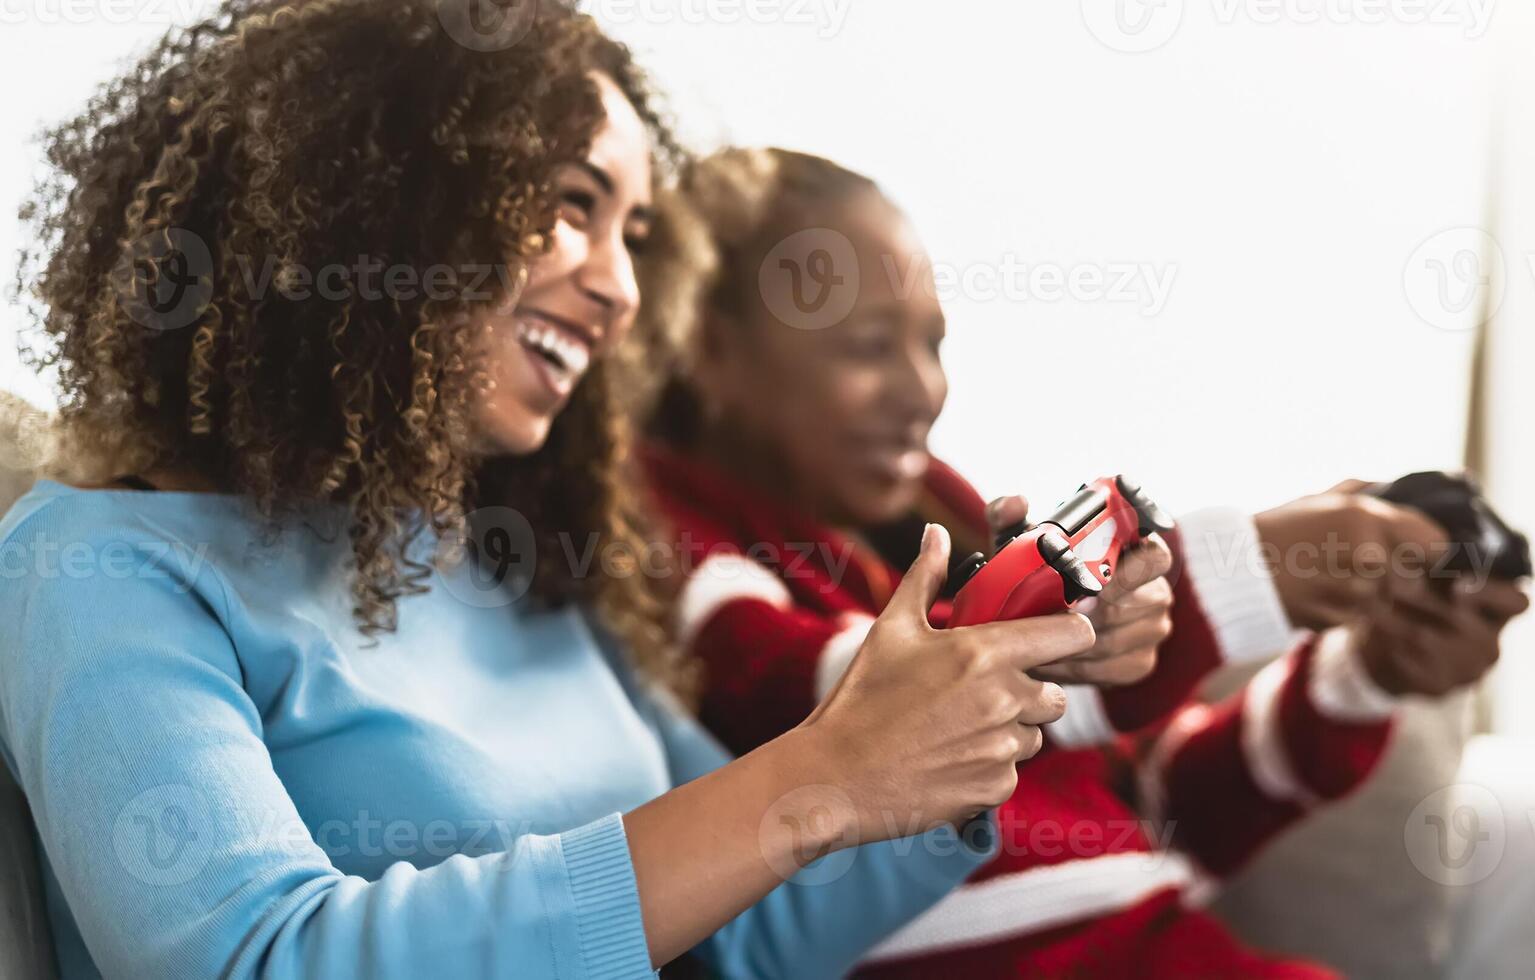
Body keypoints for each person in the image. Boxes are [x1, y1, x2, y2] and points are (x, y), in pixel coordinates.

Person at [0, 6, 1103, 977]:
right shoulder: (98, 563)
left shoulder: (507, 564)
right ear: (377, 199)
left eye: (634, 235)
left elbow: (753, 943)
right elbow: (263, 955)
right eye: (572, 204)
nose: (621, 288)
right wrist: (815, 771)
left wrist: (978, 689)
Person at [639, 147, 1532, 977]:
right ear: (704, 349)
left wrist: (1356, 677)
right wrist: (1238, 571)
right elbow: (862, 703)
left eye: (933, 345)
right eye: (870, 347)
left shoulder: (929, 529)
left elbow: (1172, 810)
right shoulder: (676, 560)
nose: (924, 392)